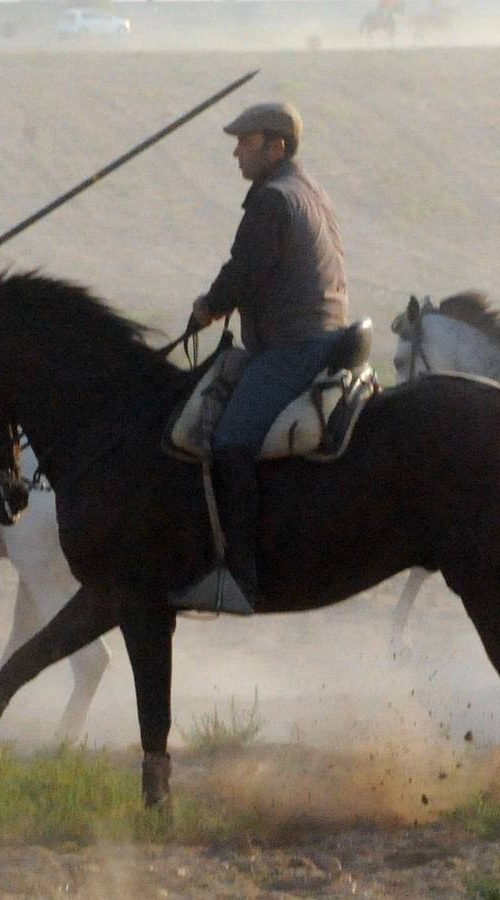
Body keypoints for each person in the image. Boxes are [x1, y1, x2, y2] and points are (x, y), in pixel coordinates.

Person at [174, 101, 350, 615]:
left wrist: (208, 308)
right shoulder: (309, 190)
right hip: (320, 334)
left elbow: (244, 270)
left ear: (276, 147)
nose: (235, 151)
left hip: (294, 344)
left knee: (229, 441)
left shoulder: (273, 200)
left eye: (244, 142)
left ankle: (240, 576)